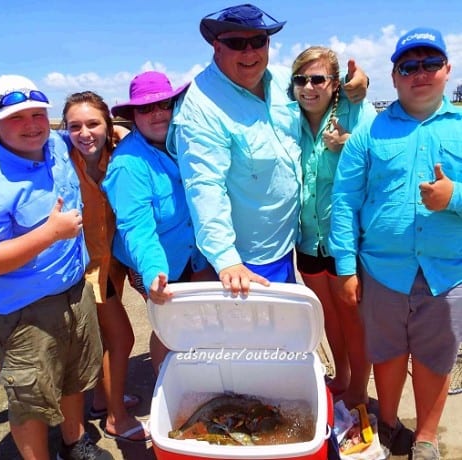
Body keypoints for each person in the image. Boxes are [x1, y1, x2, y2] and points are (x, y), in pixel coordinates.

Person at [168, 3, 369, 296]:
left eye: (258, 41)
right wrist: (227, 261)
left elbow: (319, 84)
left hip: (288, 246)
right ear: (216, 47)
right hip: (248, 260)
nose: (249, 53)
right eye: (236, 43)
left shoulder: (279, 80)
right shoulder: (200, 106)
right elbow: (205, 187)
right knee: (255, 341)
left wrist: (357, 83)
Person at [329, 27, 462, 460]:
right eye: (409, 66)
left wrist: (454, 196)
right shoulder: (369, 132)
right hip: (382, 271)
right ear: (395, 75)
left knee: (436, 358)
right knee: (386, 353)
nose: (419, 73)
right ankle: (388, 423)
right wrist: (346, 267)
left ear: (447, 69)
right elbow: (345, 200)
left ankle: (425, 438)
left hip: (447, 272)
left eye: (429, 63)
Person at [0, 75, 112, 460]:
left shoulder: (56, 146)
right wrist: (49, 234)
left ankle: (74, 441)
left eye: (37, 114)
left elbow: (88, 135)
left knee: (74, 375)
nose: (31, 125)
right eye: (16, 118)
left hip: (74, 291)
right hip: (23, 311)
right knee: (30, 395)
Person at [102, 71, 213, 374]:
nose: (157, 114)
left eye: (164, 104)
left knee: (201, 317)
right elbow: (136, 228)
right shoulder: (128, 164)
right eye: (146, 108)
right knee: (170, 325)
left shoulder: (188, 141)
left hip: (194, 252)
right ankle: (168, 391)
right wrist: (154, 273)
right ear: (133, 116)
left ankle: (199, 376)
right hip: (157, 261)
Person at [60, 91, 150, 443]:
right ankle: (116, 417)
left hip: (112, 264)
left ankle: (101, 398)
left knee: (106, 339)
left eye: (93, 123)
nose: (84, 133)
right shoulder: (61, 161)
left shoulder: (119, 155)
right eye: (75, 126)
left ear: (108, 125)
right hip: (84, 270)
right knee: (121, 338)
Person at [290, 46, 376, 408]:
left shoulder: (356, 111)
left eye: (318, 79)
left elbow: (382, 153)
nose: (309, 87)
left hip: (347, 242)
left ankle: (358, 386)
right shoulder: (289, 116)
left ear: (334, 82)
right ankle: (340, 374)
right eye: (301, 80)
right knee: (326, 316)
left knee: (353, 319)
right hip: (308, 241)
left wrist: (349, 143)